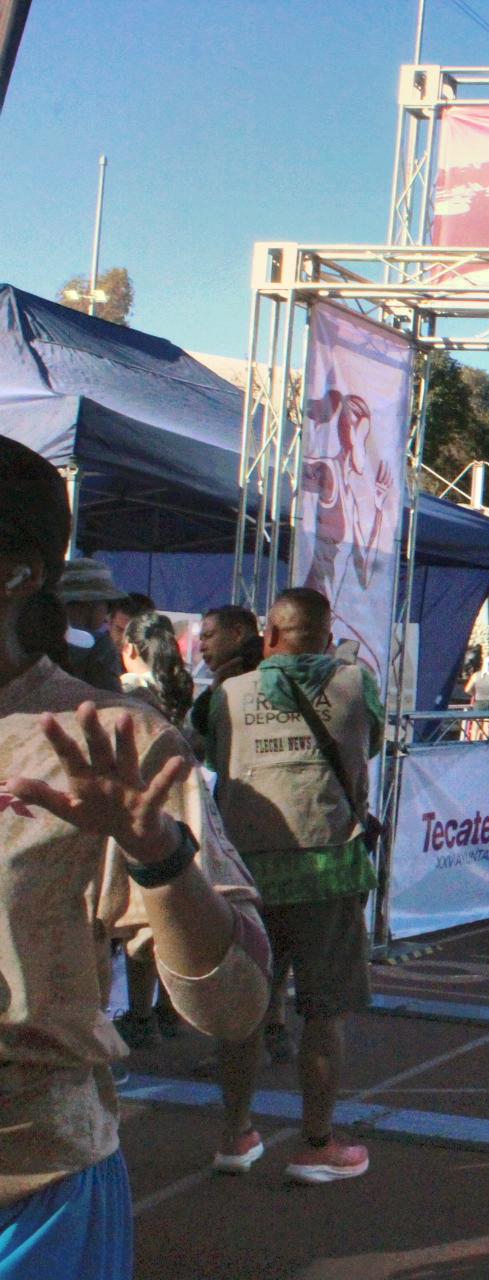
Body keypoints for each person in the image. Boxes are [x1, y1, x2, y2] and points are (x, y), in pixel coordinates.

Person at [2, 437, 269, 1277]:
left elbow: (238, 1005)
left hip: (31, 1196)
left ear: (17, 574)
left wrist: (157, 855)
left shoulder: (109, 742)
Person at [208, 586, 383, 1185]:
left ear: (270, 636)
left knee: (245, 1011)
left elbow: (211, 753)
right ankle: (316, 1143)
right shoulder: (355, 684)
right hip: (330, 869)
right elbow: (370, 744)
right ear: (328, 637)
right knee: (324, 1012)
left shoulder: (227, 693)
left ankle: (234, 1135)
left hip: (246, 874)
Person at [114, 610, 200, 1048]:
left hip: (137, 809)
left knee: (137, 921)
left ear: (130, 648)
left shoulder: (125, 693)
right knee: (173, 912)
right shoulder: (181, 691)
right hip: (180, 808)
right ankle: (170, 1008)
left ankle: (140, 1014)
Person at [187, 605, 264, 746]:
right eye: (201, 639)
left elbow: (202, 721)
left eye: (209, 636)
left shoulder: (252, 671)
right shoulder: (228, 676)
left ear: (238, 633)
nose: (202, 647)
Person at [55, 557, 127, 692]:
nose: (107, 617)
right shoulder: (101, 646)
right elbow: (111, 699)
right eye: (108, 605)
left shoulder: (39, 638)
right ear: (91, 604)